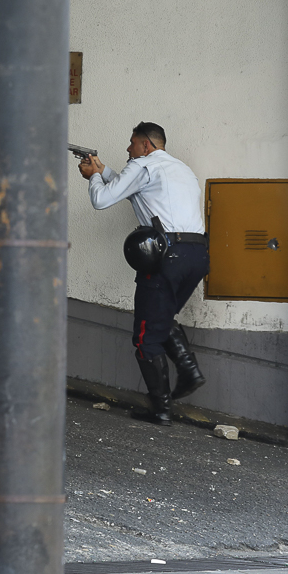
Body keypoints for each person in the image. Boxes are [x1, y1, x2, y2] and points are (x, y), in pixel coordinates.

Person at [77, 121, 208, 426]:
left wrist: (93, 176)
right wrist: (104, 170)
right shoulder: (180, 169)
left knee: (145, 337)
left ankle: (162, 409)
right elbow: (130, 186)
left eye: (132, 143)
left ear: (146, 146)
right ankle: (189, 371)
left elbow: (101, 199)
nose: (128, 149)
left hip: (167, 256)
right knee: (160, 318)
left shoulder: (143, 165)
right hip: (197, 255)